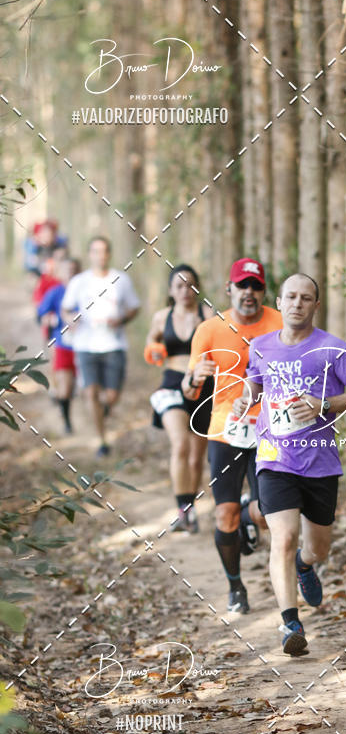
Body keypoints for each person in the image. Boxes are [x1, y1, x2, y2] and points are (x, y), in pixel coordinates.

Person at [233, 273, 346, 656]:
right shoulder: (259, 346)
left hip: (321, 463)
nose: (297, 303)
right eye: (291, 297)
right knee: (284, 536)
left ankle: (305, 567)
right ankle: (290, 623)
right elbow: (254, 384)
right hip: (275, 458)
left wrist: (324, 404)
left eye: (305, 298)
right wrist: (246, 400)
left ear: (315, 305)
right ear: (278, 302)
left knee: (316, 547)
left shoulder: (332, 349)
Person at [182, 258, 283, 614]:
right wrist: (196, 378)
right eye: (243, 286)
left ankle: (247, 511)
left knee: (266, 514)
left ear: (264, 291)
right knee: (223, 516)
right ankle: (235, 586)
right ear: (230, 289)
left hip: (270, 430)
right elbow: (190, 390)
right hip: (224, 431)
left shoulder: (280, 323)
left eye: (256, 286)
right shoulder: (209, 329)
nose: (249, 293)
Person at [145, 264, 214, 534]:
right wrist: (154, 349)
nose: (186, 290)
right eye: (180, 286)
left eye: (191, 285)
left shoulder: (208, 315)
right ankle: (181, 509)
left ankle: (190, 508)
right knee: (180, 444)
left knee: (197, 458)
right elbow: (151, 345)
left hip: (204, 386)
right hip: (172, 383)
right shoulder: (162, 317)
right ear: (171, 291)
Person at [61, 236, 141, 457]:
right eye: (95, 251)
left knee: (111, 396)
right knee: (90, 392)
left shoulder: (121, 279)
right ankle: (102, 441)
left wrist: (122, 319)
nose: (100, 255)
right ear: (90, 254)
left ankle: (103, 410)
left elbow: (134, 307)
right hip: (85, 345)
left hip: (114, 344)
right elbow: (66, 309)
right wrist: (70, 320)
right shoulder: (79, 281)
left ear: (109, 254)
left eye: (104, 251)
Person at [37, 256, 81, 434]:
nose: (70, 274)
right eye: (67, 270)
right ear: (61, 273)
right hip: (63, 345)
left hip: (87, 346)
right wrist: (51, 319)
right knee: (65, 387)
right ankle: (67, 422)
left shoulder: (86, 292)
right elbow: (41, 315)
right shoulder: (55, 292)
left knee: (89, 389)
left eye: (74, 270)